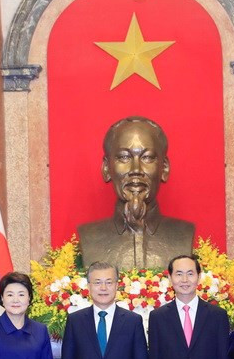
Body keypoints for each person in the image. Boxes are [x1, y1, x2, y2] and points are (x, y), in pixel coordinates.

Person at [78, 116, 195, 271]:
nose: (136, 170)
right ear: (106, 168)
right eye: (124, 157)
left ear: (164, 168)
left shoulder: (183, 234)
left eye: (147, 157)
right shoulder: (89, 237)